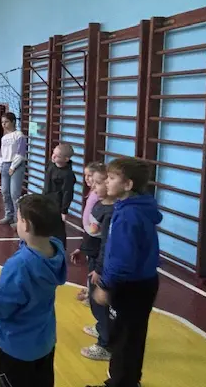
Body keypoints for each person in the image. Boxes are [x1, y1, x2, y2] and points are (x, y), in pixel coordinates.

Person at [0, 194, 66, 387]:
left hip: (17, 348)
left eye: (19, 219)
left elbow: (0, 308)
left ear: (27, 225)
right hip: (44, 341)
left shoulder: (18, 266)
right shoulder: (56, 248)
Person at [88, 158, 161, 387]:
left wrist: (106, 285)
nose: (106, 182)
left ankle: (121, 383)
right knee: (131, 337)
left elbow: (122, 257)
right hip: (141, 282)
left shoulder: (129, 215)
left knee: (124, 339)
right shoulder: (134, 208)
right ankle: (128, 381)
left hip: (130, 285)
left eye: (111, 178)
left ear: (128, 185)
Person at [73, 164, 114, 361]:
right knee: (95, 300)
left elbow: (105, 243)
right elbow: (90, 233)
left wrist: (99, 268)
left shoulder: (111, 212)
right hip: (94, 256)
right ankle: (102, 328)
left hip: (101, 263)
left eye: (98, 183)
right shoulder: (100, 204)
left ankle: (106, 344)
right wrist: (83, 248)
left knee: (100, 302)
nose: (94, 187)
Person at [72, 162, 103, 303]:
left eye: (91, 176)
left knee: (94, 267)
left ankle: (93, 296)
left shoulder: (99, 196)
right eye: (86, 175)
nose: (87, 179)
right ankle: (90, 290)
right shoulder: (93, 192)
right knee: (91, 264)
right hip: (90, 235)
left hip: (96, 237)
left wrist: (94, 227)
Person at [0, 113, 27, 226]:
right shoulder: (4, 138)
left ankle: (18, 219)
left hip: (16, 166)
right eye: (2, 122)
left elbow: (21, 153)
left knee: (14, 193)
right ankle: (9, 215)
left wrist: (13, 166)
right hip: (5, 165)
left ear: (13, 122)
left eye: (6, 122)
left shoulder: (19, 135)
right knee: (5, 192)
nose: (3, 124)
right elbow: (2, 155)